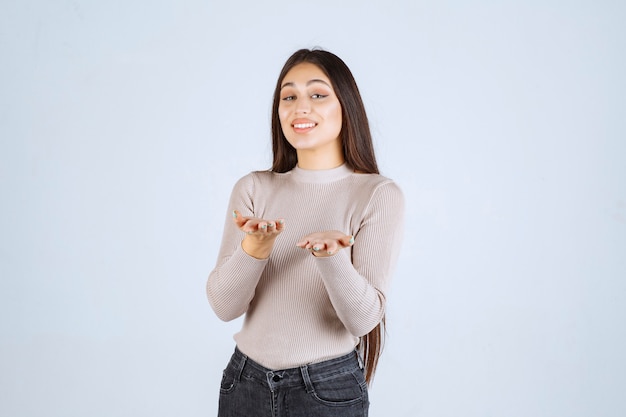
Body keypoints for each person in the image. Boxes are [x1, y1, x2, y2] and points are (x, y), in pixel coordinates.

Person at [206, 48, 404, 417]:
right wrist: (255, 247)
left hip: (326, 389)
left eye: (317, 94)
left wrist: (332, 259)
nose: (300, 107)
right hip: (244, 384)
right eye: (289, 96)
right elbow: (224, 306)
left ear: (346, 105)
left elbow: (363, 320)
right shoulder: (253, 189)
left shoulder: (377, 194)